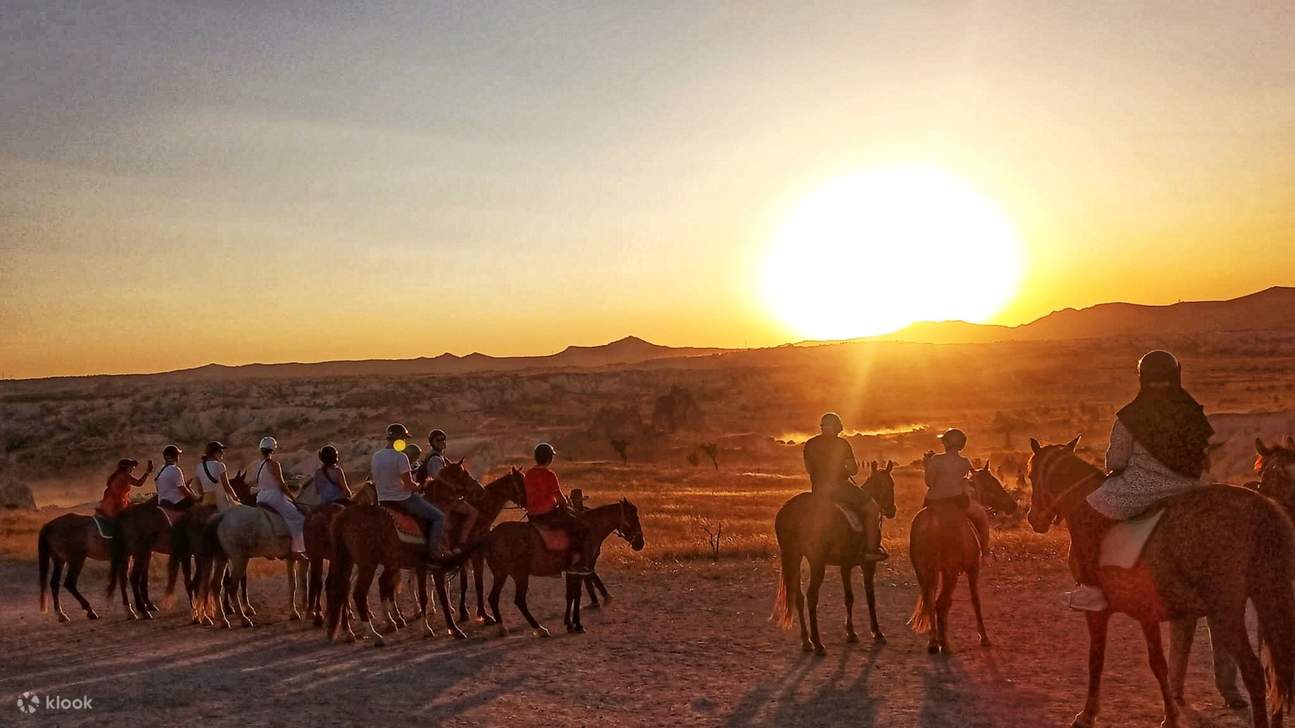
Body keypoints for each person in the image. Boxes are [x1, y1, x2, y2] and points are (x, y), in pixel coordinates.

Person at [1064, 350, 1213, 611]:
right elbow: (1203, 450)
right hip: (1193, 487)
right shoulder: (1193, 410)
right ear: (1176, 375)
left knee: (1083, 513)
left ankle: (1092, 589)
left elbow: (1117, 462)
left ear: (1142, 378)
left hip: (1143, 488)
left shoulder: (1130, 417)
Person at [803, 413, 886, 561]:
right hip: (840, 487)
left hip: (818, 489)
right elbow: (853, 469)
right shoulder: (842, 444)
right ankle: (871, 549)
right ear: (837, 428)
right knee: (872, 508)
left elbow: (809, 468)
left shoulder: (810, 444)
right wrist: (846, 470)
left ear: (822, 427)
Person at [372, 423, 449, 559]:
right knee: (439, 517)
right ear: (400, 440)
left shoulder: (376, 456)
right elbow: (408, 485)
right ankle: (433, 553)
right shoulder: (401, 457)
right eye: (404, 439)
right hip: (402, 500)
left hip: (383, 500)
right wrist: (420, 486)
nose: (405, 442)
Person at [922, 429, 992, 558]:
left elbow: (929, 483)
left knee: (920, 522)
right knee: (982, 516)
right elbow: (974, 479)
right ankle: (985, 549)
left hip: (933, 501)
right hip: (957, 501)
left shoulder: (936, 460)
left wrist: (927, 466)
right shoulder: (965, 462)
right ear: (962, 445)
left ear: (946, 443)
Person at [524, 442, 593, 572]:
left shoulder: (528, 474)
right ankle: (575, 562)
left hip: (532, 515)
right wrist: (566, 504)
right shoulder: (550, 475)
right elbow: (561, 499)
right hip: (547, 514)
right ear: (549, 458)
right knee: (578, 525)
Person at [421, 429, 479, 547]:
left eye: (443, 439)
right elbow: (436, 477)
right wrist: (453, 486)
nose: (442, 442)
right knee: (452, 522)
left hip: (445, 496)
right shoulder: (435, 458)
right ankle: (455, 545)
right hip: (439, 498)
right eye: (438, 440)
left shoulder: (441, 457)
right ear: (432, 442)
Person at [254, 436, 306, 556]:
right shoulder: (274, 464)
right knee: (299, 518)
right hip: (274, 497)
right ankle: (297, 550)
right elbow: (281, 485)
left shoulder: (258, 465)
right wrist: (294, 499)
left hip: (261, 497)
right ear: (273, 450)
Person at [194, 441, 241, 512]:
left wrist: (205, 495)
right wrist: (235, 497)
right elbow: (226, 485)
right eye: (220, 451)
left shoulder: (199, 467)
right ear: (214, 453)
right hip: (220, 501)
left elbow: (199, 487)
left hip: (206, 501)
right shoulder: (220, 465)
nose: (222, 453)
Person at [156, 444, 197, 509]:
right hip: (175, 502)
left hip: (162, 501)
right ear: (176, 456)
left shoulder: (159, 470)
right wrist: (195, 498)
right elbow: (183, 489)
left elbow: (158, 488)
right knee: (195, 506)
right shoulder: (175, 469)